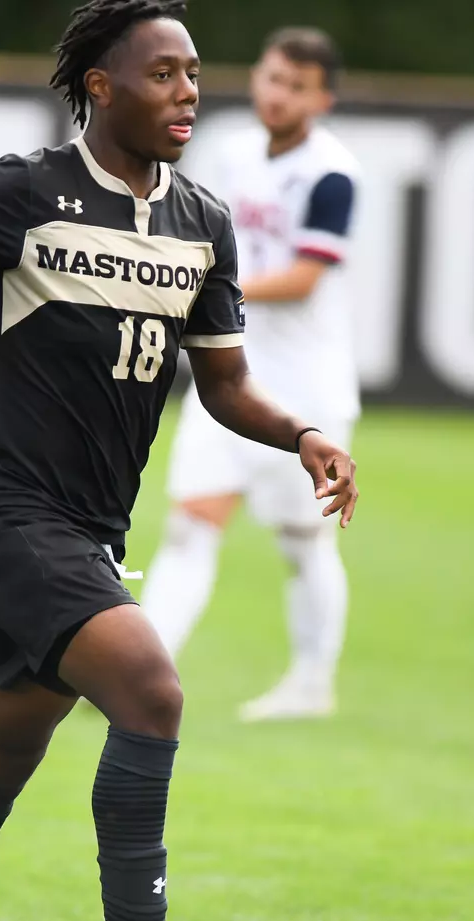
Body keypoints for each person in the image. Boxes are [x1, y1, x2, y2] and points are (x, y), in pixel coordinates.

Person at [0, 0, 359, 921]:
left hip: (88, 536)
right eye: (163, 73)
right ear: (101, 87)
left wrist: (301, 435)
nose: (188, 92)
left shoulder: (200, 221)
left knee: (1, 753)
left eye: (195, 73)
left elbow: (224, 388)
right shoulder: (23, 191)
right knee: (151, 687)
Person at [141, 28, 360, 722]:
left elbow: (303, 278)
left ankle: (311, 682)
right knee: (190, 524)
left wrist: (210, 289)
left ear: (322, 98)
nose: (277, 93)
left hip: (305, 384)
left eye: (296, 85)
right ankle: (141, 669)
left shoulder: (333, 173)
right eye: (271, 77)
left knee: (303, 541)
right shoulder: (228, 151)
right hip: (227, 370)